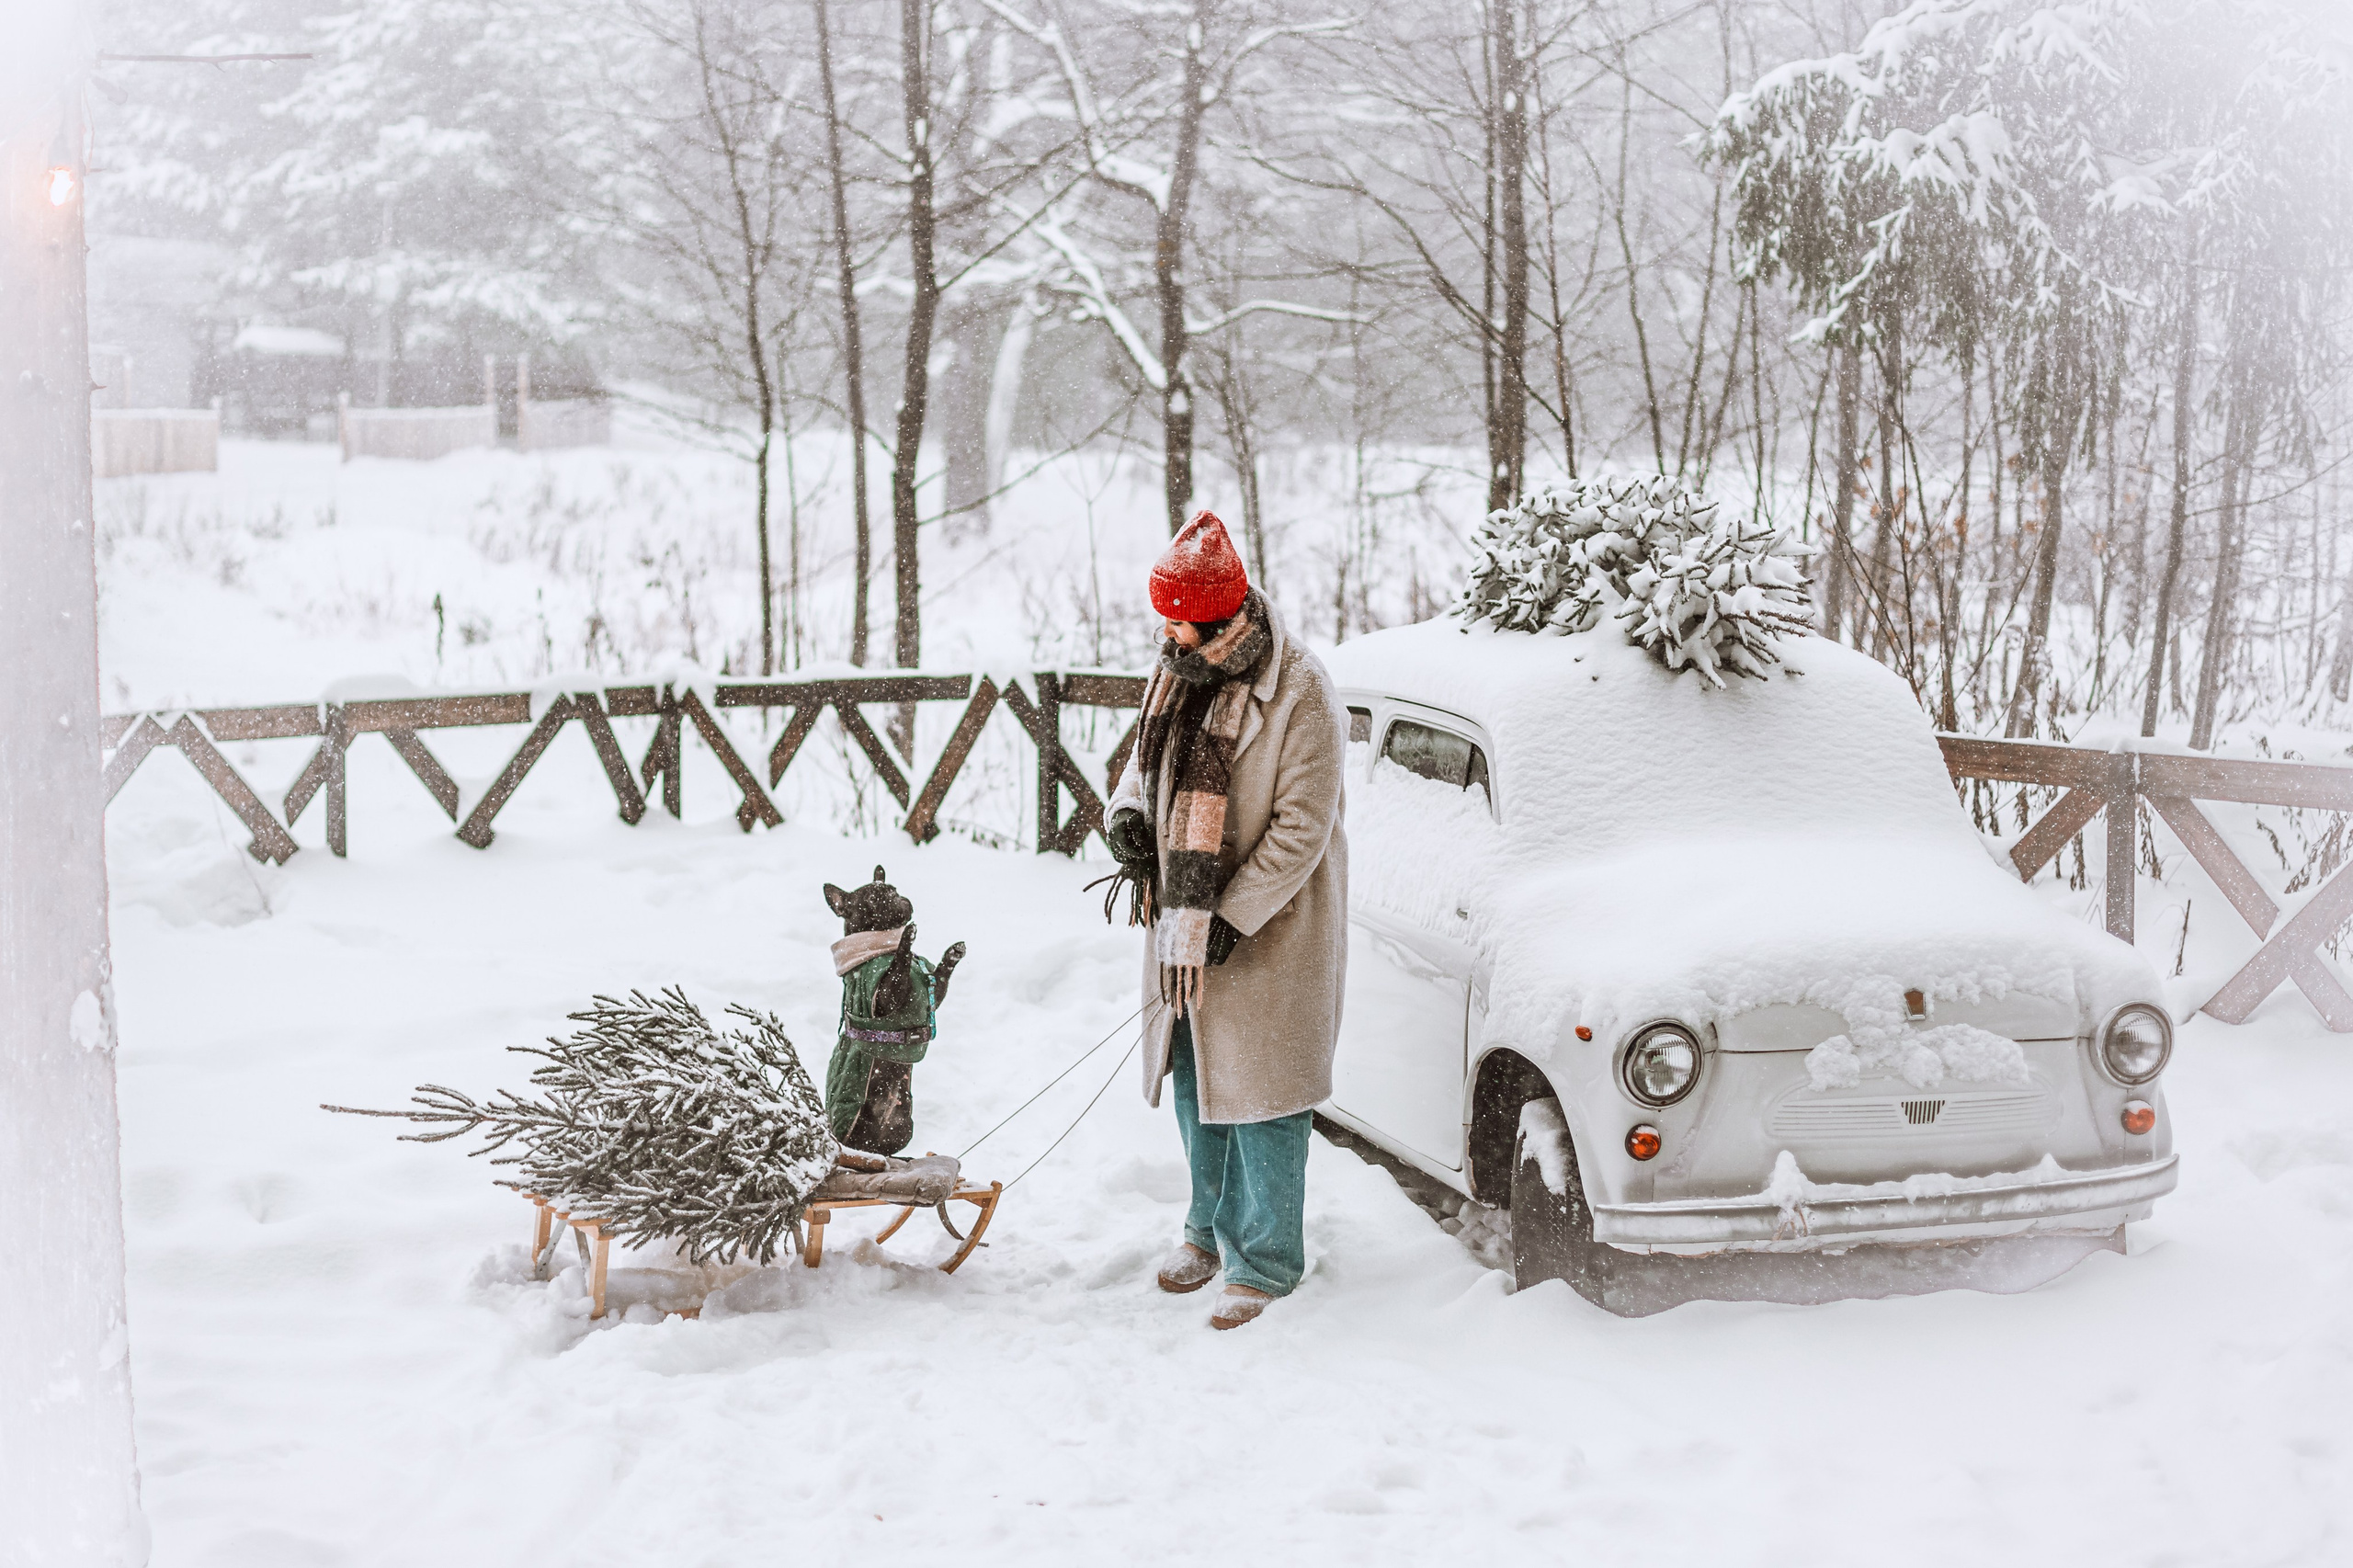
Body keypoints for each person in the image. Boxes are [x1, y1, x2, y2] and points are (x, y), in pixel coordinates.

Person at [1102, 510, 1347, 1330]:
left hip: (1270, 929)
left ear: (1218, 617)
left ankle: (1265, 1259)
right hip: (1183, 921)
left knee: (1263, 1096)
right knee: (1197, 1078)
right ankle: (1206, 1230)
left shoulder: (1301, 690)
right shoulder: (1178, 669)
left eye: (1178, 619)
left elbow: (1302, 828)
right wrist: (1129, 819)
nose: (1166, 632)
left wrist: (1232, 917)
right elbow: (1143, 770)